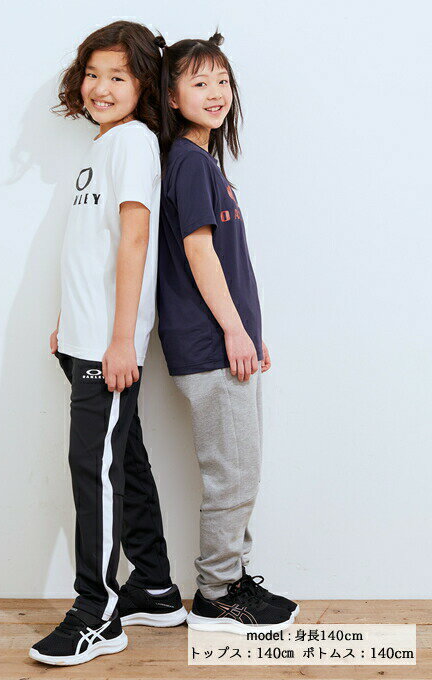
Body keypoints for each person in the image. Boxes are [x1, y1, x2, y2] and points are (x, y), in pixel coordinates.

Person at [28, 22, 186, 667]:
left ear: (144, 84)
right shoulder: (102, 145)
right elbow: (90, 247)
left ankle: (97, 612)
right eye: (93, 74)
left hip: (107, 345)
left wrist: (121, 339)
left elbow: (135, 240)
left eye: (117, 76)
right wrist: (68, 322)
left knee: (92, 471)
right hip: (85, 338)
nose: (101, 87)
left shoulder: (135, 143)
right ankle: (155, 587)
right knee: (126, 462)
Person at [156, 31, 299, 634]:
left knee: (240, 468)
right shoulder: (189, 163)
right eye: (199, 82)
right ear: (171, 96)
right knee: (233, 474)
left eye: (222, 80)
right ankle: (217, 594)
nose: (216, 92)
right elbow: (199, 252)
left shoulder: (204, 161)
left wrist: (248, 332)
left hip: (225, 342)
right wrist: (235, 332)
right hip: (211, 344)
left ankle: (234, 579)